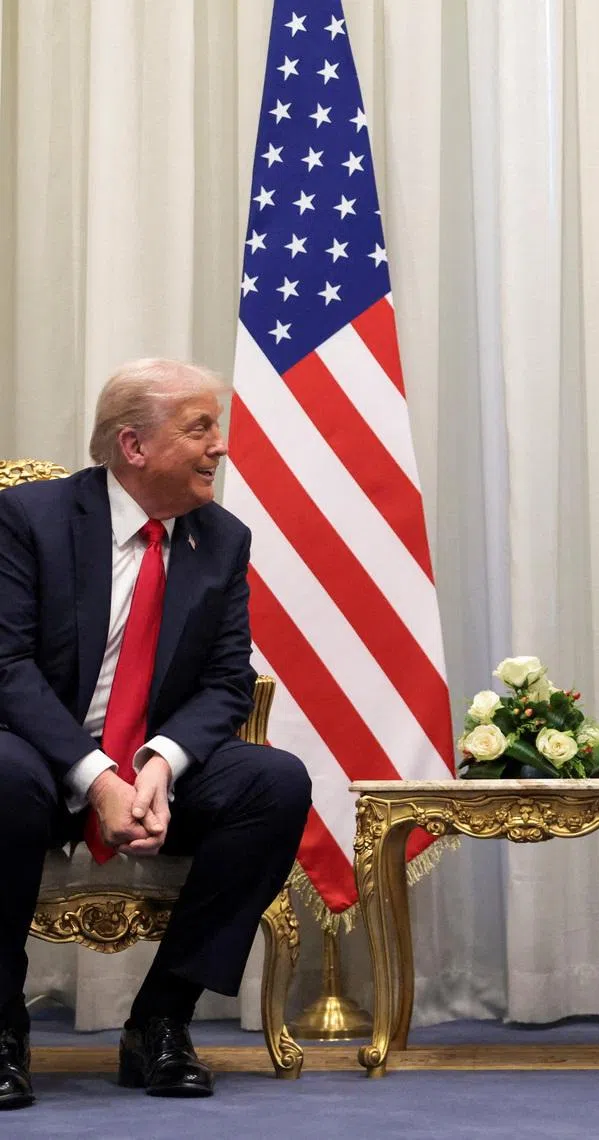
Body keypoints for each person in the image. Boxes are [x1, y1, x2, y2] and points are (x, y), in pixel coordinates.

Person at [0, 359, 312, 1108]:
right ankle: (2, 1029)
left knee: (275, 782)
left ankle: (161, 1020)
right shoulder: (30, 519)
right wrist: (96, 777)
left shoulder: (222, 540)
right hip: (42, 756)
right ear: (134, 446)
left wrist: (157, 768)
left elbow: (227, 682)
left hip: (146, 762)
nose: (221, 446)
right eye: (201, 427)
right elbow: (8, 665)